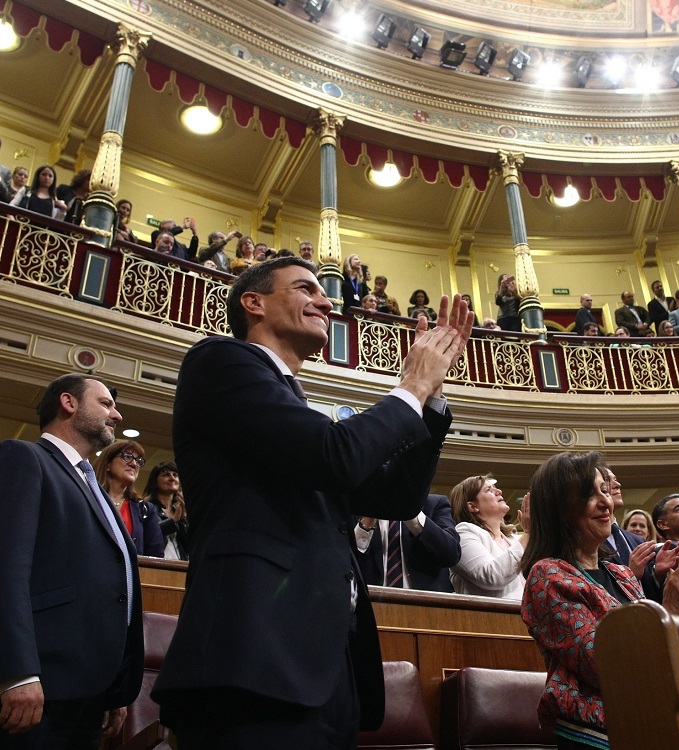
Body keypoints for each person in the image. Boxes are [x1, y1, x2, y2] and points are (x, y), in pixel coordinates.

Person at [151, 256, 472, 748]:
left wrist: (430, 399)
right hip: (251, 661)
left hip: (324, 671)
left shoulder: (292, 408)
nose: (326, 301)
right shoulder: (220, 361)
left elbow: (398, 497)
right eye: (306, 289)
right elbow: (337, 457)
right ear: (253, 303)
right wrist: (410, 385)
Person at [0, 374, 142, 745]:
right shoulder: (21, 458)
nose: (116, 415)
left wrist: (113, 687)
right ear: (68, 403)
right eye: (106, 404)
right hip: (30, 689)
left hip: (85, 695)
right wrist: (16, 673)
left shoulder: (92, 486)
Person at [520, 451, 679, 750]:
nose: (605, 502)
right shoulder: (548, 576)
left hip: (647, 718)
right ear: (558, 508)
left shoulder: (621, 573)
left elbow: (660, 652)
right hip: (595, 733)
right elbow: (606, 665)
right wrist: (670, 607)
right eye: (588, 494)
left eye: (604, 491)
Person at [356, 494, 460, 593]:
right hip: (372, 604)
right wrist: (366, 524)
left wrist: (410, 512)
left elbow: (451, 554)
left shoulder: (434, 503)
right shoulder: (357, 506)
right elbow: (347, 563)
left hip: (427, 606)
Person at [449, 475, 525, 599]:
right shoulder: (464, 533)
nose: (499, 491)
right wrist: (528, 533)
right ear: (472, 506)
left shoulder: (514, 539)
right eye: (488, 490)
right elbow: (492, 576)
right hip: (490, 616)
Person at [94, 439, 164, 557]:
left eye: (138, 460)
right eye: (127, 456)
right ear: (108, 464)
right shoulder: (89, 499)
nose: (134, 464)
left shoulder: (145, 509)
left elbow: (155, 556)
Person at [143, 461, 191, 560]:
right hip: (155, 566)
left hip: (181, 568)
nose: (172, 478)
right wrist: (173, 521)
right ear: (155, 482)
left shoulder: (180, 511)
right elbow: (147, 535)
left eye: (175, 475)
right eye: (166, 475)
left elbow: (189, 546)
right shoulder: (145, 507)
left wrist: (184, 520)